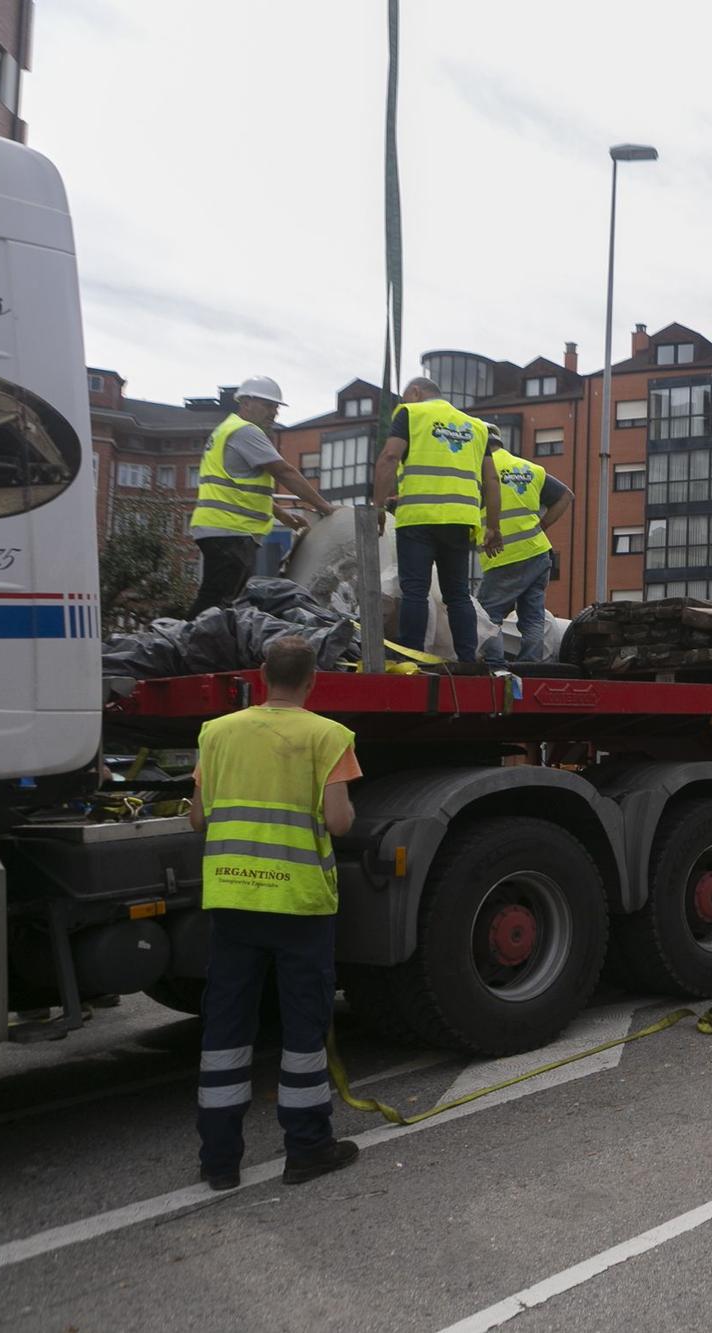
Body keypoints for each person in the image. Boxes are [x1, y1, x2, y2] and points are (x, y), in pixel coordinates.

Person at [188, 635, 362, 1190]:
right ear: (313, 680)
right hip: (300, 905)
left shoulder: (217, 733)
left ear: (262, 675)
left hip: (234, 902)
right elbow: (338, 824)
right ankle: (307, 1148)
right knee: (302, 1029)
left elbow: (198, 819)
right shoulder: (328, 736)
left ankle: (219, 1161)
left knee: (227, 1028)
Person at [371, 376, 502, 663]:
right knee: (458, 594)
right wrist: (494, 526)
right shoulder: (478, 427)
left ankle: (413, 659)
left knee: (415, 591)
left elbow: (390, 457)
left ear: (415, 393)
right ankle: (467, 659)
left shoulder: (411, 413)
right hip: (460, 521)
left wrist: (377, 507)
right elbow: (492, 479)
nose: (404, 403)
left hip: (418, 518)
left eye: (406, 397)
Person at [187, 376, 336, 616]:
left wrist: (281, 514)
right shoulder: (246, 432)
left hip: (221, 529)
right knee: (217, 601)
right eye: (269, 405)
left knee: (221, 600)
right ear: (246, 402)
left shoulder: (226, 430)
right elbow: (283, 470)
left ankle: (196, 646)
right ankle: (188, 648)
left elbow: (240, 486)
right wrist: (323, 506)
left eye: (276, 407)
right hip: (231, 530)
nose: (274, 412)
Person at [475, 435, 572, 668]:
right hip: (538, 552)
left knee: (487, 614)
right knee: (533, 616)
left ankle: (494, 664)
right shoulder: (531, 469)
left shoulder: (479, 468)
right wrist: (542, 526)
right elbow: (566, 496)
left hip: (504, 554)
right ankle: (531, 664)